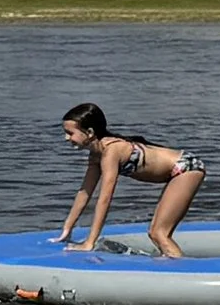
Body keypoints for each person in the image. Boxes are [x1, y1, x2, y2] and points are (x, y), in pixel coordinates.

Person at [53, 102, 207, 257]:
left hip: (185, 168)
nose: (66, 138)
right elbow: (84, 192)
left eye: (70, 133)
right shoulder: (96, 155)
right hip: (175, 173)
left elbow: (105, 198)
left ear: (90, 132)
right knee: (156, 233)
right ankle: (170, 264)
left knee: (159, 233)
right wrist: (67, 229)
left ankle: (180, 271)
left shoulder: (111, 151)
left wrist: (89, 242)